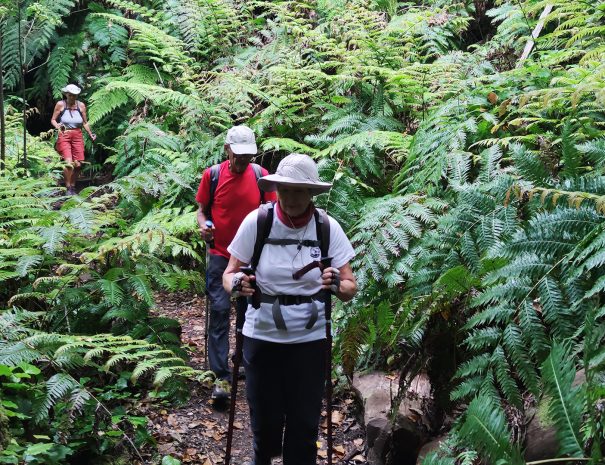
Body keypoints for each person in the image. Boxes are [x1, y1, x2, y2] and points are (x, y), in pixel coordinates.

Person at [223, 153, 357, 465]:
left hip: (309, 341)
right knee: (265, 426)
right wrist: (238, 283)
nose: (291, 198)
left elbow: (350, 287)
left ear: (311, 193)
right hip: (262, 335)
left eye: (298, 190)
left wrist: (336, 282)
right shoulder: (258, 222)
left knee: (304, 426)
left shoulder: (326, 227)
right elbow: (228, 274)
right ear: (276, 190)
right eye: (285, 190)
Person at [196, 125, 277, 402]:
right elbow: (202, 210)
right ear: (227, 149)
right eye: (239, 154)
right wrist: (205, 225)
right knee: (219, 310)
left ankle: (241, 359)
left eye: (248, 155)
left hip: (252, 258)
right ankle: (221, 376)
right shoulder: (213, 175)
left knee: (248, 312)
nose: (243, 160)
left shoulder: (261, 176)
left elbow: (271, 213)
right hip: (220, 254)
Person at [50, 84, 96, 195]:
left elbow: (85, 122)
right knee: (68, 163)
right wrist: (58, 127)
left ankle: (73, 185)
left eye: (74, 95)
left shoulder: (81, 106)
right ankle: (68, 187)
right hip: (64, 134)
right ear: (66, 94)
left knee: (78, 164)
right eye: (70, 95)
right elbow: (53, 120)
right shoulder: (60, 105)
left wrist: (90, 134)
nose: (72, 97)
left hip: (77, 135)